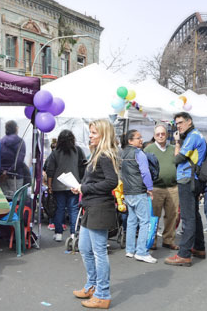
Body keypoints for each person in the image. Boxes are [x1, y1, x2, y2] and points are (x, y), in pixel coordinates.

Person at [70, 119, 119, 309]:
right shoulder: (97, 153)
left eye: (94, 133)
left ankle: (103, 294)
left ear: (103, 134)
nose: (90, 136)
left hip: (100, 207)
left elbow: (112, 182)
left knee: (99, 253)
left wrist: (84, 187)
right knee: (85, 249)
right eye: (90, 132)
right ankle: (92, 285)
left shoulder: (105, 155)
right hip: (91, 206)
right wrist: (82, 188)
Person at [165, 112, 207, 267]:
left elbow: (178, 158)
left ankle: (184, 254)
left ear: (189, 121)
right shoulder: (195, 135)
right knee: (194, 215)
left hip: (187, 179)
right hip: (192, 179)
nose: (179, 126)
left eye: (181, 122)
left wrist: (177, 144)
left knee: (188, 217)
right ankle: (199, 247)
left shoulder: (193, 136)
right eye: (176, 124)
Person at [120, 130, 156, 264]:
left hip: (128, 191)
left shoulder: (122, 153)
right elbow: (145, 172)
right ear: (130, 141)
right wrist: (150, 188)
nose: (141, 140)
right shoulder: (139, 153)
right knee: (144, 221)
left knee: (131, 221)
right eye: (138, 138)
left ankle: (130, 249)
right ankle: (141, 251)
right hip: (139, 191)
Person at [45, 130, 86, 242]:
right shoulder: (78, 150)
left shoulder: (55, 153)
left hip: (58, 186)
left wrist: (49, 186)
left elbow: (50, 171)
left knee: (59, 209)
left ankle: (58, 233)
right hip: (74, 185)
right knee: (73, 209)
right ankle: (74, 234)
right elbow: (83, 166)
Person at [144, 124, 180, 249]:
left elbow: (179, 162)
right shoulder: (149, 150)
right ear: (154, 136)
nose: (160, 136)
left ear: (167, 135)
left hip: (173, 187)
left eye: (163, 134)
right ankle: (152, 241)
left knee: (172, 215)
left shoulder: (173, 148)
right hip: (155, 188)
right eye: (158, 134)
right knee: (154, 216)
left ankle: (168, 240)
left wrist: (178, 143)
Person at [0, 120, 27, 199]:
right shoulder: (20, 142)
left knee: (3, 200)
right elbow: (19, 160)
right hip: (16, 176)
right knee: (16, 201)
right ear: (16, 128)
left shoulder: (0, 142)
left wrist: (3, 172)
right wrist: (9, 172)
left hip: (2, 177)